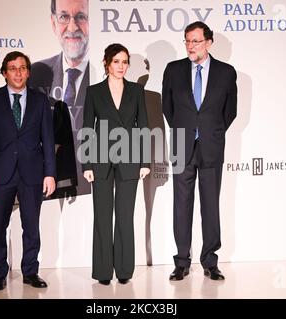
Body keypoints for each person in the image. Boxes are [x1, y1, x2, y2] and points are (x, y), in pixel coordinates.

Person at [162, 21, 237, 281]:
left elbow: (230, 111)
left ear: (208, 42)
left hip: (212, 147)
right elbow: (167, 108)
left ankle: (210, 261)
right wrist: (187, 129)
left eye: (195, 41)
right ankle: (182, 261)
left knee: (210, 205)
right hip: (182, 144)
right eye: (187, 41)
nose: (190, 46)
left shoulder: (226, 73)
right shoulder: (173, 70)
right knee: (181, 205)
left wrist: (210, 131)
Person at [0, 51, 56, 291]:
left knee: (31, 226)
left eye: (22, 68)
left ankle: (30, 271)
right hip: (0, 174)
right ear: (4, 73)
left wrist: (50, 173)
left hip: (32, 173)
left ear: (28, 72)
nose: (18, 72)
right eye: (13, 68)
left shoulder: (41, 101)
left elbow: (47, 139)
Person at [82, 43, 150, 285]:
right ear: (106, 63)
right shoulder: (93, 92)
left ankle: (123, 270)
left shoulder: (136, 91)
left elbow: (143, 126)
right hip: (99, 160)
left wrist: (145, 161)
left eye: (125, 62)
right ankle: (102, 272)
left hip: (130, 159)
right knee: (102, 217)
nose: (121, 66)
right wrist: (86, 165)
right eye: (116, 61)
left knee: (124, 216)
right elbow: (87, 128)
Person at [28, 0, 90, 199]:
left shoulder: (102, 80)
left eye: (81, 16)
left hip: (86, 178)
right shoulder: (36, 73)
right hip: (42, 178)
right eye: (64, 17)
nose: (72, 27)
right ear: (54, 23)